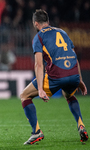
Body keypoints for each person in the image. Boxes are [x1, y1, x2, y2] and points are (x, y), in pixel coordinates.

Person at [20, 9, 88, 145]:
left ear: (35, 23)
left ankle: (36, 132)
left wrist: (40, 89)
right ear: (48, 21)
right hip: (73, 73)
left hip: (56, 75)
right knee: (68, 95)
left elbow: (39, 65)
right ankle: (81, 125)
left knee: (24, 96)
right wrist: (79, 79)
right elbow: (74, 55)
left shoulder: (38, 37)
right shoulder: (62, 32)